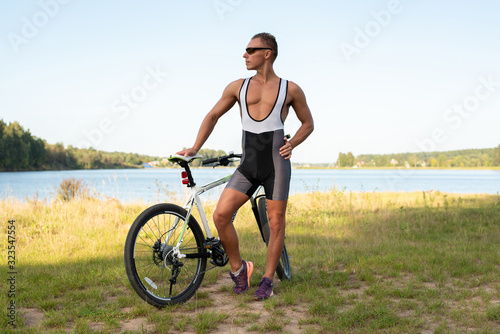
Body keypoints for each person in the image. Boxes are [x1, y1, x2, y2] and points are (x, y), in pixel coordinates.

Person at [177, 32, 314, 300]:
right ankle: (240, 269)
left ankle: (267, 280)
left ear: (267, 53)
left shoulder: (291, 89)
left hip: (276, 165)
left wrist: (293, 143)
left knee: (276, 223)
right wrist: (195, 147)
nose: (244, 55)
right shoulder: (237, 87)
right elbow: (213, 115)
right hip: (249, 164)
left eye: (250, 50)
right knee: (220, 215)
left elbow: (308, 123)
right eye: (245, 50)